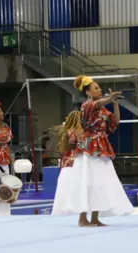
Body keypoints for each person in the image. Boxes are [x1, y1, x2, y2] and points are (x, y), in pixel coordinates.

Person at [56, 75, 133, 227]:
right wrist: (109, 98)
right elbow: (98, 103)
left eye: (99, 88)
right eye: (96, 88)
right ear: (88, 93)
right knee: (87, 182)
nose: (99, 90)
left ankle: (95, 218)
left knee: (100, 183)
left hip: (102, 147)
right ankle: (82, 218)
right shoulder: (87, 106)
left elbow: (115, 123)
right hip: (89, 147)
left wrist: (115, 104)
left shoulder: (103, 110)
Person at [52, 111, 84, 217]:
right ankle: (73, 209)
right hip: (74, 163)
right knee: (74, 188)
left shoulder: (65, 132)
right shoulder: (75, 132)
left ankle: (60, 210)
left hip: (66, 163)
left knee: (63, 189)